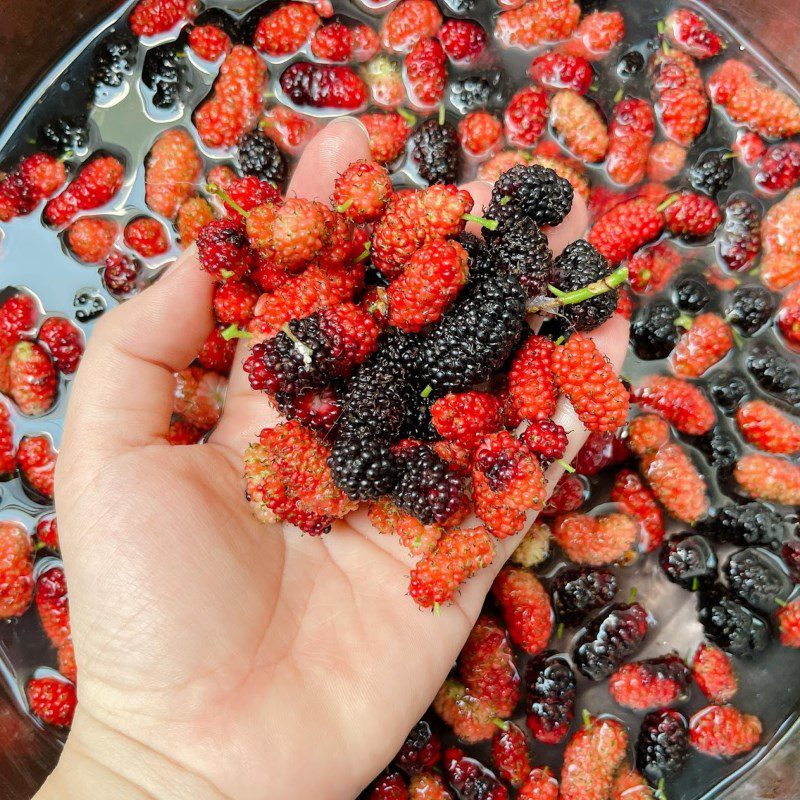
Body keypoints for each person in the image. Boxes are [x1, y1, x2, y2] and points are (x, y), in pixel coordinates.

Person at [36, 118, 628, 799]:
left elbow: (418, 378)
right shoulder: (359, 393)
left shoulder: (436, 357)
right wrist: (141, 755)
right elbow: (383, 399)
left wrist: (144, 764)